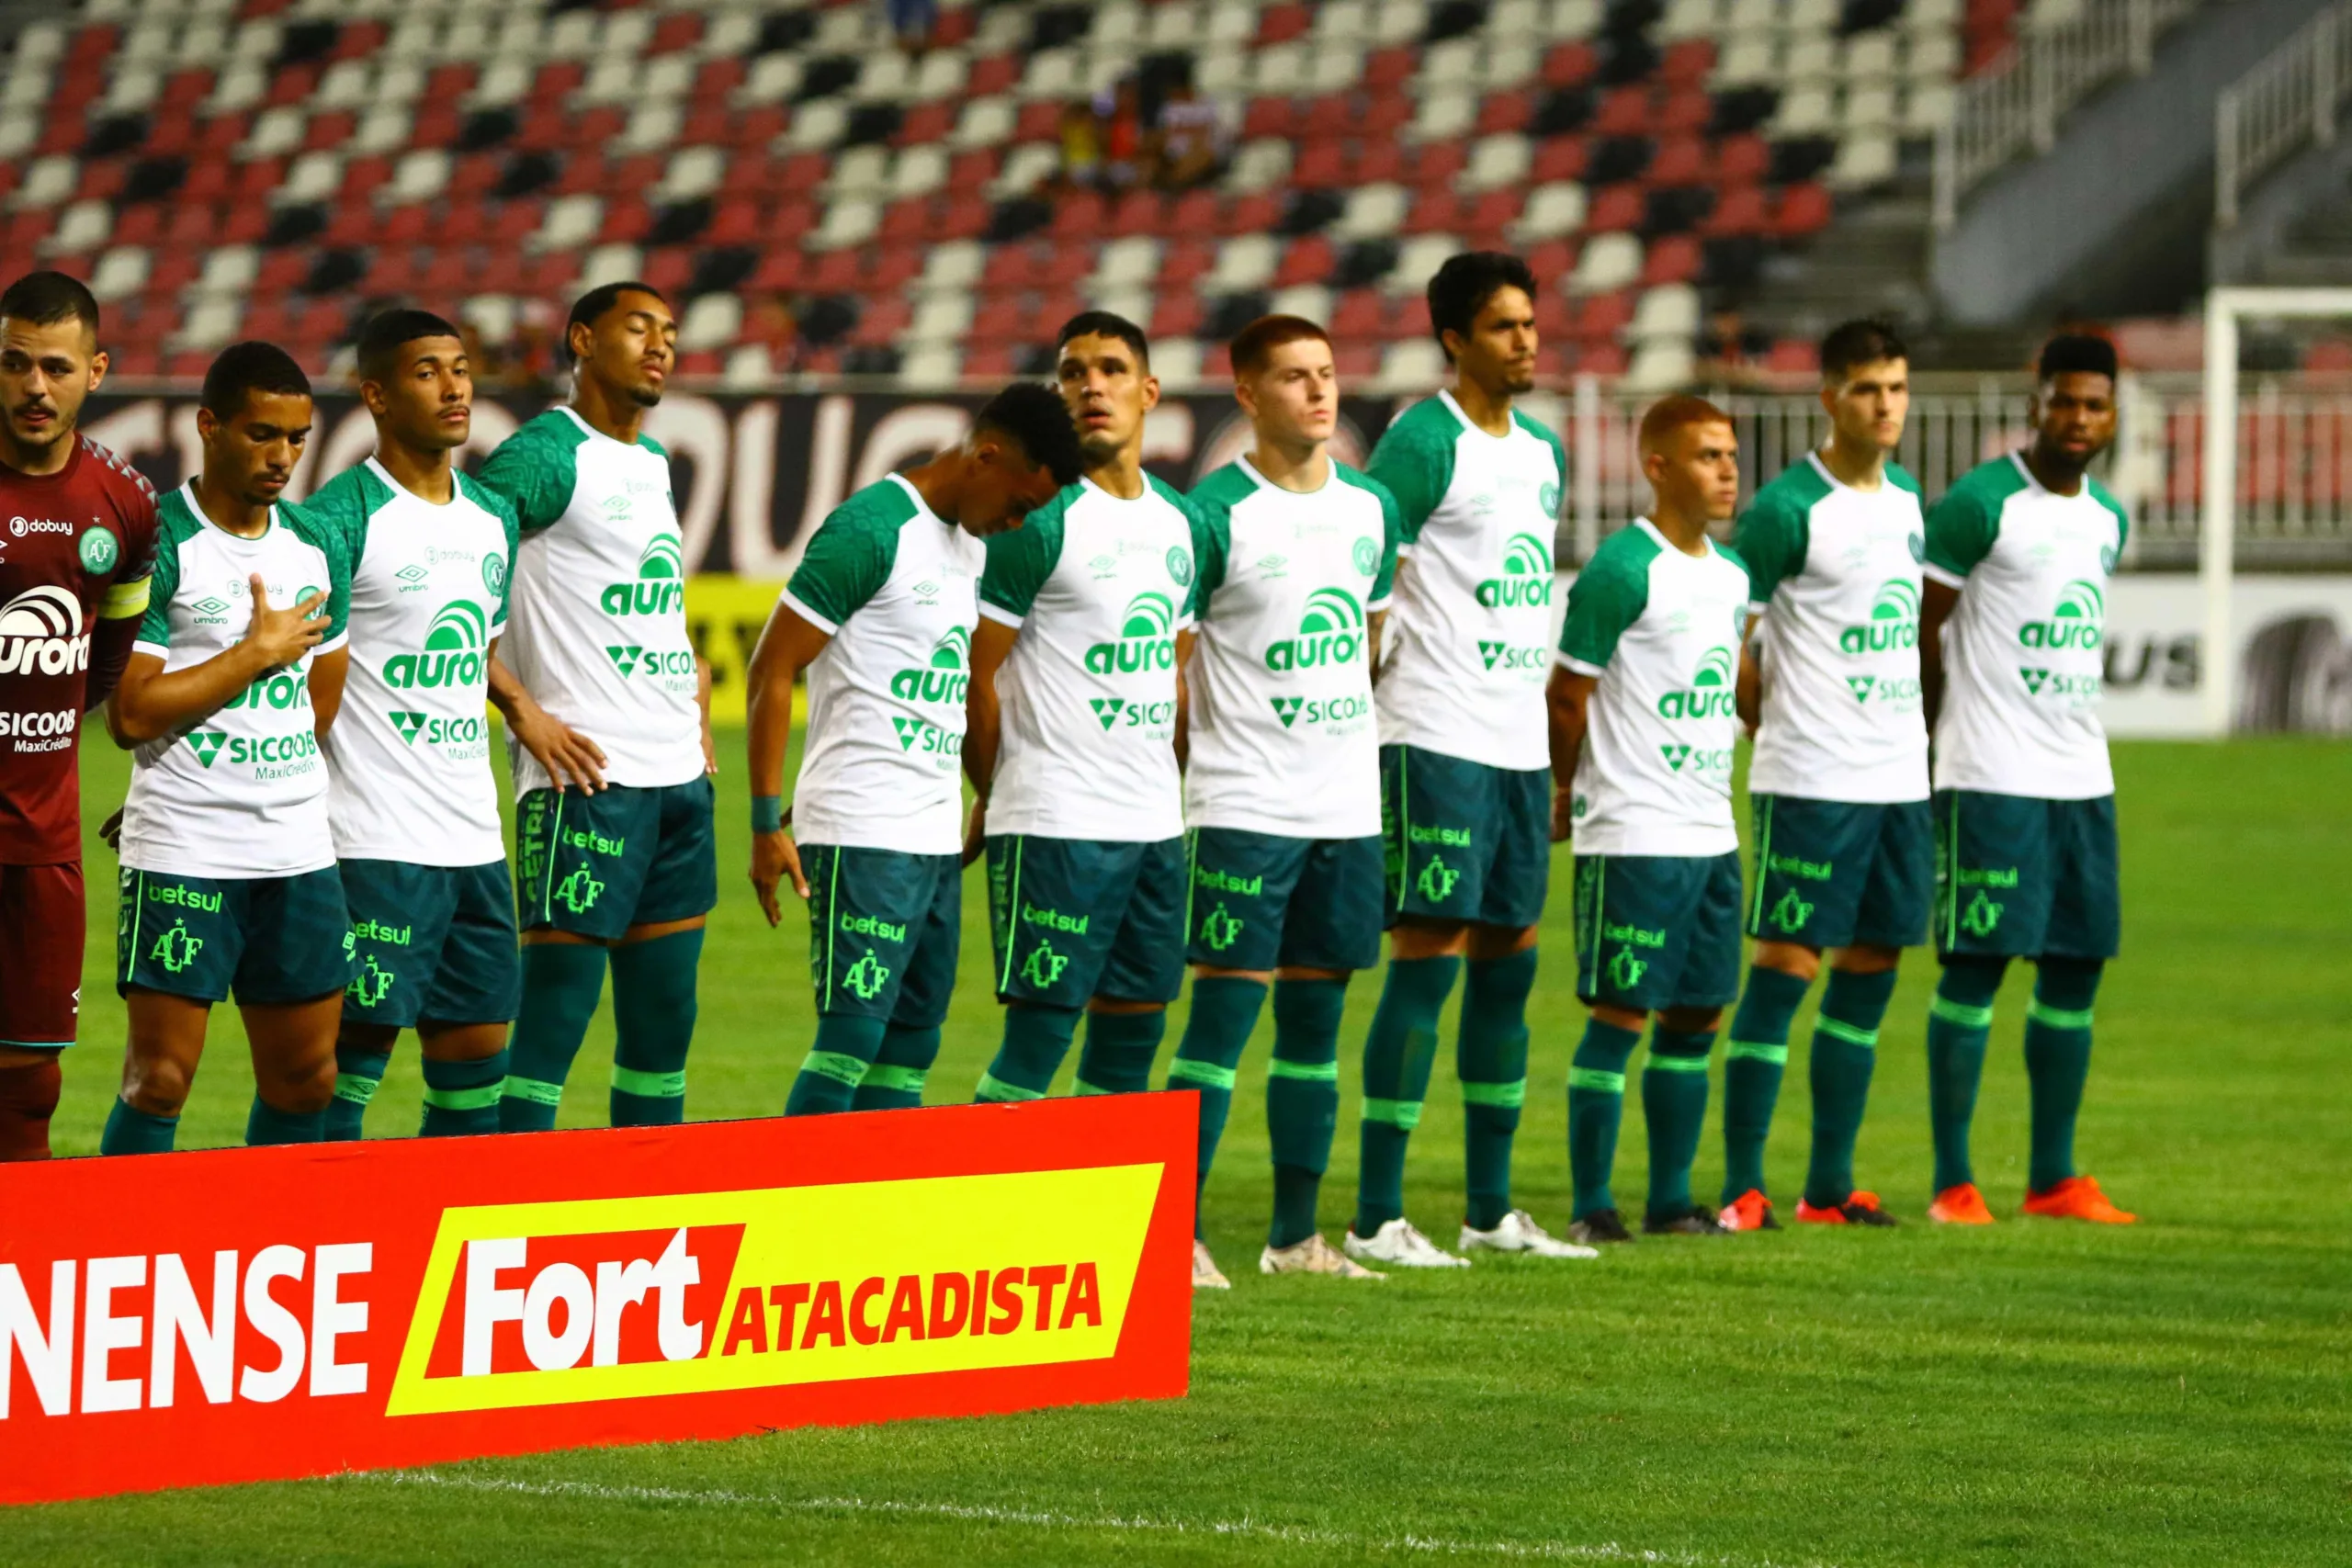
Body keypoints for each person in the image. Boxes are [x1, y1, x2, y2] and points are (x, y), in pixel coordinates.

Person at [748, 384, 1081, 1112]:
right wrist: (764, 819)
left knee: (912, 1047)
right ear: (986, 455)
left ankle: (865, 1221)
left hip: (932, 835)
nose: (1016, 523)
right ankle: (793, 1217)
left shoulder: (967, 544)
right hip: (862, 823)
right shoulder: (872, 527)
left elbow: (959, 688)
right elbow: (772, 667)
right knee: (850, 1042)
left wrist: (985, 794)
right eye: (1019, 504)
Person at [1348, 252, 1579, 1269]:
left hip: (1516, 743)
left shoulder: (1542, 452)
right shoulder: (1420, 441)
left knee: (1509, 964)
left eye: (1529, 323)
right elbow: (1364, 569)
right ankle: (1376, 1217)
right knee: (1427, 957)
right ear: (1454, 339)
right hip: (1433, 733)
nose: (1524, 341)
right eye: (1502, 327)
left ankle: (1489, 1211)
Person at [1174, 316, 1413, 1287]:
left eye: (1326, 373)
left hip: (1344, 809)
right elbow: (1175, 668)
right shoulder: (1212, 515)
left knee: (1316, 1027)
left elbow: (1365, 641)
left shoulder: (1370, 508)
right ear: (1247, 394)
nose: (1318, 393)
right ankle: (1171, 1241)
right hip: (1243, 807)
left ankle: (1293, 1240)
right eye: (1292, 378)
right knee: (1221, 1024)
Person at [99, 342, 354, 1153]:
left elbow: (319, 705)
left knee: (307, 1079)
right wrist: (253, 652)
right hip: (186, 846)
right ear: (209, 425)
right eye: (260, 434)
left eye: (296, 438)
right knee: (160, 1078)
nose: (281, 456)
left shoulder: (318, 546)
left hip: (296, 850)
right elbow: (130, 714)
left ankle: (276, 1254)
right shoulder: (158, 541)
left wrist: (256, 765)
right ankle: (123, 1257)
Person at [479, 282, 717, 1132]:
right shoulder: (546, 454)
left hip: (679, 784)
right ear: (581, 338)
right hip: (586, 778)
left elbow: (646, 590)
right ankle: (505, 1224)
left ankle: (647, 1226)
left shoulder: (649, 462)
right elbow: (449, 580)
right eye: (639, 327)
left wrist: (691, 676)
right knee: (551, 1030)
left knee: (663, 1033)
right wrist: (519, 708)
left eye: (671, 332)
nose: (661, 344)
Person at [1916, 333, 2136, 1225]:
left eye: (2094, 405)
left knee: (2075, 969)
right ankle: (1951, 1183)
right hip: (1989, 772)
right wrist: (1926, 748)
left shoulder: (2109, 518)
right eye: (2064, 402)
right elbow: (1921, 636)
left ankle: (2052, 1180)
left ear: (2112, 413)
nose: (2077, 420)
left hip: (2080, 774)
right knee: (1975, 968)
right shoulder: (1979, 505)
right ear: (2033, 401)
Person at [965, 313, 1205, 1114]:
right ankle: (981, 1227)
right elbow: (976, 676)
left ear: (1149, 391)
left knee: (1134, 1033)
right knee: (1038, 1040)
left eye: (1109, 368)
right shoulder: (1037, 521)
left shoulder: (1181, 523)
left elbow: (1172, 672)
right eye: (1072, 373)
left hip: (1153, 825)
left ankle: (1101, 1228)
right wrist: (995, 795)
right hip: (1056, 820)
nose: (1091, 386)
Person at [1718, 320, 1928, 1231]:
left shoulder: (1911, 500)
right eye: (1866, 391)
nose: (1885, 407)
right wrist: (1769, 719)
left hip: (1898, 778)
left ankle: (1828, 1188)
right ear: (1828, 401)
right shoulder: (1784, 510)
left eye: (1896, 389)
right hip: (1810, 778)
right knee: (1786, 965)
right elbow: (1721, 631)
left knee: (1873, 963)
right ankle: (1740, 1187)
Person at [311, 310, 522, 1139]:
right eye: (428, 370)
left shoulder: (492, 519)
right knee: (341, 1079)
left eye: (461, 367)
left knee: (475, 1079)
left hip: (475, 843)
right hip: (372, 845)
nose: (455, 386)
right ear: (377, 394)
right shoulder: (341, 517)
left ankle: (442, 1253)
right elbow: (297, 681)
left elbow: (477, 659)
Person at [1548, 396, 1750, 1241]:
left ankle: (1670, 1201)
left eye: (1731, 453)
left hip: (1713, 832)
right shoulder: (1624, 568)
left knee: (1698, 1013)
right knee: (1620, 1014)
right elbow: (1568, 694)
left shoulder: (1732, 576)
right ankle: (1594, 1204)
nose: (1729, 469)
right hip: (1633, 832)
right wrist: (1565, 794)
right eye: (1708, 455)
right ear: (1658, 466)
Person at [0, 270, 159, 1159]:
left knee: (29, 1083)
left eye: (56, 368)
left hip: (42, 846)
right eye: (16, 364)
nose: (34, 387)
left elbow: (106, 662)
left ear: (95, 371)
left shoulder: (125, 505)